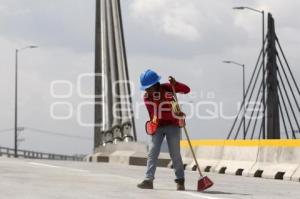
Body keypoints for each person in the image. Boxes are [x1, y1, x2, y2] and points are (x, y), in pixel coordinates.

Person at [137, 69, 190, 191]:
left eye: (148, 87)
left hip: (173, 125)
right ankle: (148, 180)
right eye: (145, 88)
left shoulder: (168, 87)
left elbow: (187, 90)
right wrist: (171, 105)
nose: (146, 90)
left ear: (155, 84)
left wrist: (175, 85)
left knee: (175, 154)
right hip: (158, 126)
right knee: (152, 152)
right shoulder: (147, 97)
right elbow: (156, 112)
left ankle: (180, 181)